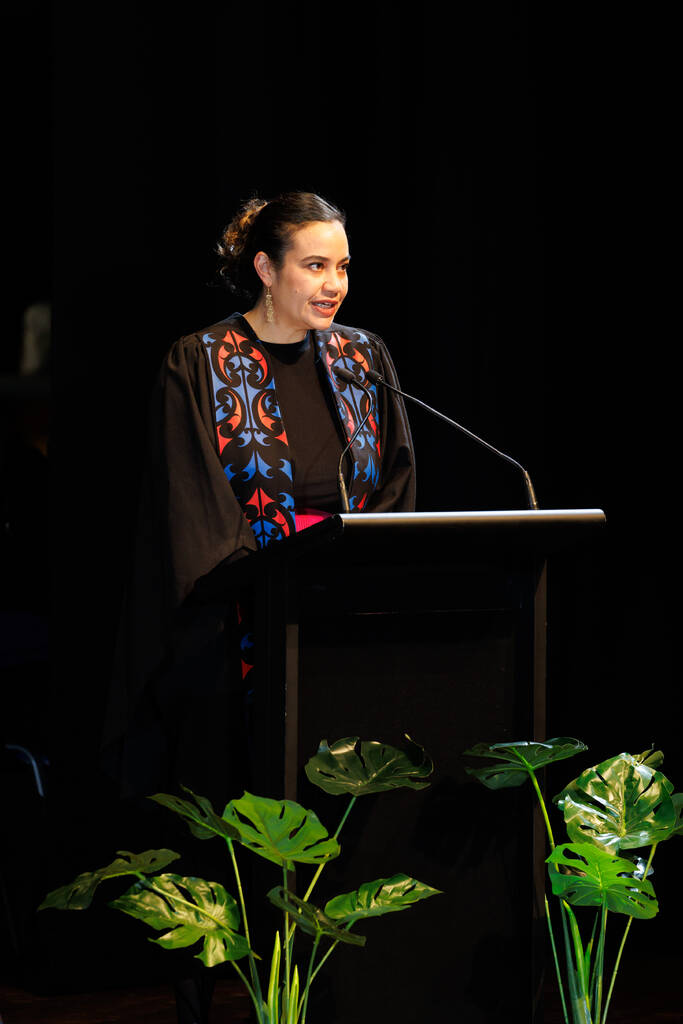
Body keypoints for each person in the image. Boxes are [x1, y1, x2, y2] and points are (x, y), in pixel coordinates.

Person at [102, 191, 415, 1022]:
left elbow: (392, 491)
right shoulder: (198, 361)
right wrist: (271, 574)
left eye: (343, 266)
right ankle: (206, 997)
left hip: (339, 628)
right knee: (222, 821)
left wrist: (348, 578)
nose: (334, 285)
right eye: (315, 266)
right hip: (228, 628)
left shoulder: (363, 358)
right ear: (265, 269)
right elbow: (193, 507)